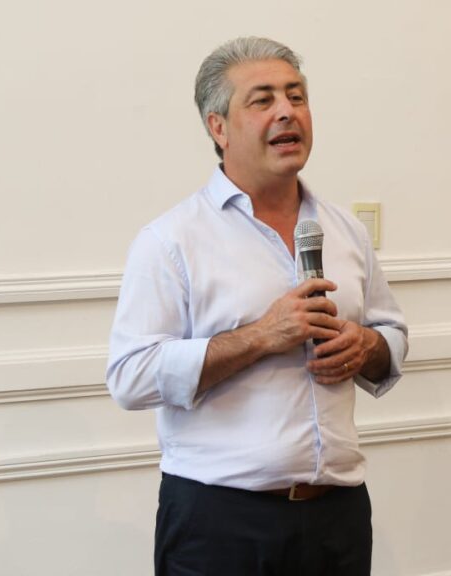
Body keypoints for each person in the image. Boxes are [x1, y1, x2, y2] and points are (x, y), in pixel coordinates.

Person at [106, 37, 407, 576]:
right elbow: (130, 376)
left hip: (337, 515)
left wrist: (368, 346)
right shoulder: (171, 240)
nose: (287, 111)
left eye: (296, 96)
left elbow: (392, 334)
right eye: (263, 100)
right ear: (218, 127)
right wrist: (261, 336)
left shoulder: (345, 230)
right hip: (219, 523)